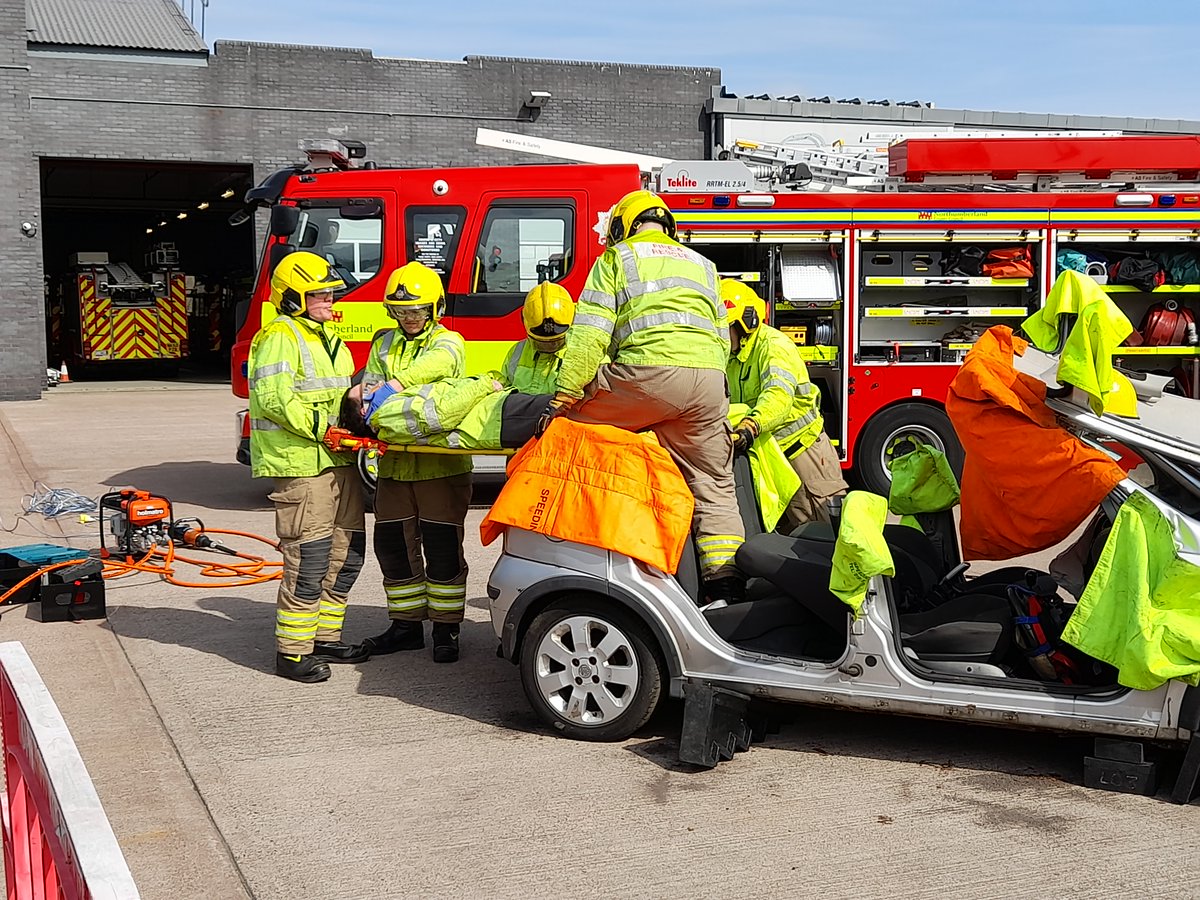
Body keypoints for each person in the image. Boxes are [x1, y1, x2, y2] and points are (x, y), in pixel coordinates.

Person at [541, 189, 746, 603]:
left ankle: (588, 549)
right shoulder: (706, 267)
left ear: (622, 227)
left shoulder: (617, 259)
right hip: (707, 384)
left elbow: (589, 338)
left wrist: (562, 398)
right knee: (715, 482)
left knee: (572, 430)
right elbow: (722, 340)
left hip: (646, 376)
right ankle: (725, 583)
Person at [247, 251, 369, 683]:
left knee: (347, 554)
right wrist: (327, 430)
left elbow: (336, 396)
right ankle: (293, 653)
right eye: (319, 293)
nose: (329, 298)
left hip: (338, 461)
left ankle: (325, 638)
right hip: (303, 464)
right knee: (310, 559)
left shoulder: (324, 335)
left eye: (330, 291)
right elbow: (275, 399)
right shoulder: (281, 335)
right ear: (293, 297)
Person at [361, 261, 471, 663]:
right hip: (394, 468)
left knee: (442, 549)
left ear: (434, 309)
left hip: (440, 468)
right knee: (392, 545)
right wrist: (375, 393)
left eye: (416, 311)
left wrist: (393, 387)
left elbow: (435, 368)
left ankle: (446, 628)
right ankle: (406, 626)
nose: (408, 318)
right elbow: (370, 388)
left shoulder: (449, 342)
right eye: (400, 311)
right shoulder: (384, 343)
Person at [721, 279, 848, 530]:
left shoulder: (774, 346)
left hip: (804, 454)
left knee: (823, 529)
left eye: (724, 329)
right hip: (774, 458)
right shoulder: (733, 357)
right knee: (793, 534)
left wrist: (751, 425)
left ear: (746, 322)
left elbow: (778, 395)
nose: (719, 337)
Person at [500, 282, 575, 394]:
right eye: (541, 343)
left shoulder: (582, 356)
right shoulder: (517, 351)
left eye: (556, 342)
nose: (548, 348)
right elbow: (505, 388)